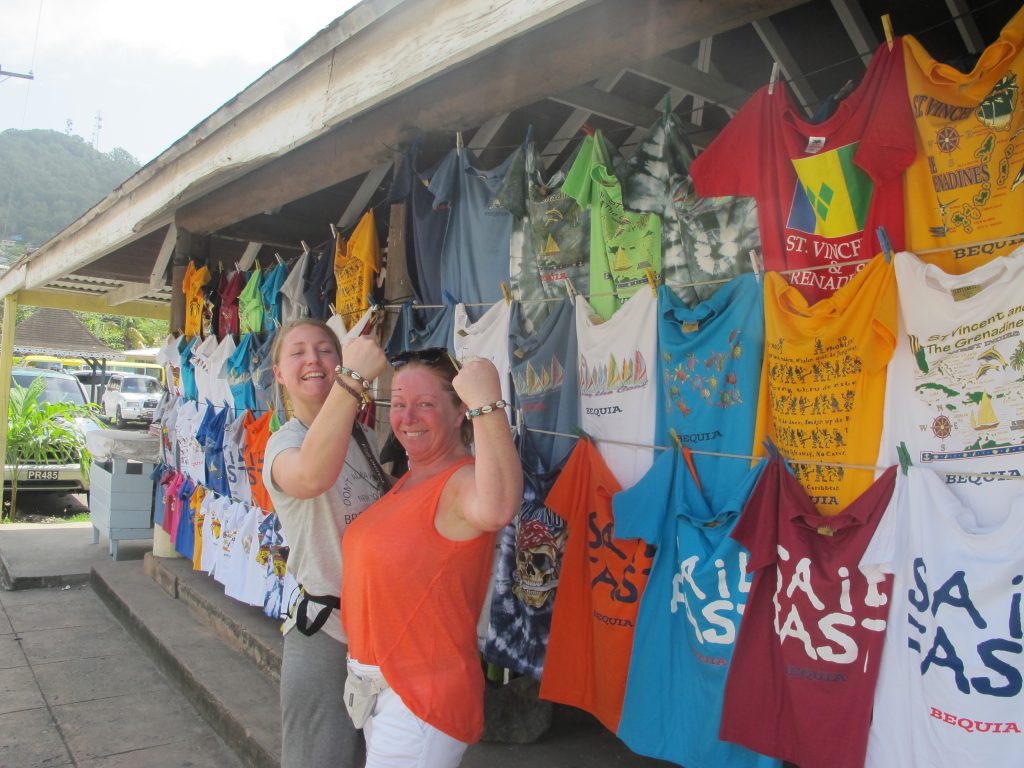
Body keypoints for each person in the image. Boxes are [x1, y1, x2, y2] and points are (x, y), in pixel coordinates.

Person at [341, 347, 523, 768]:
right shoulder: (407, 481)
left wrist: (489, 406)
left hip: (421, 696)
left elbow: (498, 508)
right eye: (400, 404)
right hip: (382, 689)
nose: (407, 418)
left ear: (459, 412)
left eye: (425, 404)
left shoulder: (460, 481)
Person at [263, 319, 389, 768]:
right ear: (279, 373)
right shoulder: (283, 445)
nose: (313, 359)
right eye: (297, 352)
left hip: (379, 634)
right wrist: (353, 381)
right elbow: (312, 476)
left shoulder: (364, 438)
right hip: (327, 633)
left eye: (325, 350)